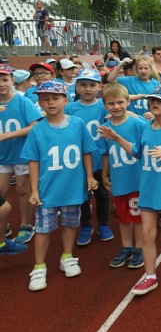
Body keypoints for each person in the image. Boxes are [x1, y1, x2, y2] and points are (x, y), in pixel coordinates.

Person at [98, 85, 161, 295]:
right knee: (148, 235)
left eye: (160, 100)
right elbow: (137, 152)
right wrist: (116, 138)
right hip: (147, 190)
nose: (154, 103)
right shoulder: (146, 128)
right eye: (152, 100)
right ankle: (150, 275)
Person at [22, 80, 98, 291]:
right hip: (47, 189)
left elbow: (86, 151)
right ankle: (39, 266)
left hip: (73, 188)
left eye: (55, 98)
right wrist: (35, 189)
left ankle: (67, 256)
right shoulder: (37, 130)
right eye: (45, 99)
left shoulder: (77, 124)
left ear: (66, 100)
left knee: (71, 224)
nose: (50, 102)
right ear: (39, 103)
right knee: (43, 229)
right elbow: (33, 160)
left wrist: (90, 176)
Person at [97, 83, 146, 269]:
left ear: (127, 102)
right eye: (111, 103)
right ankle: (126, 246)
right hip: (119, 179)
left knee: (137, 216)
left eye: (120, 102)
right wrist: (104, 174)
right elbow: (105, 153)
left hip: (136, 179)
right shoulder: (105, 128)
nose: (116, 107)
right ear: (105, 105)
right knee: (123, 217)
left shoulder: (138, 124)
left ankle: (139, 247)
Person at [64, 68, 111, 246]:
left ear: (99, 87)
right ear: (77, 87)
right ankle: (85, 225)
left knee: (102, 194)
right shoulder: (70, 108)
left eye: (92, 85)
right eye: (83, 85)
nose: (88, 89)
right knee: (82, 195)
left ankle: (104, 224)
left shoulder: (104, 106)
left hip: (100, 159)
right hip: (78, 161)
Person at [0, 63, 41, 245]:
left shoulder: (22, 100)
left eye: (5, 79)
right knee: (1, 191)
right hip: (2, 155)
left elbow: (35, 126)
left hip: (23, 153)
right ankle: (4, 223)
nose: (1, 84)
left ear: (11, 81)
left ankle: (26, 225)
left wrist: (8, 135)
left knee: (23, 189)